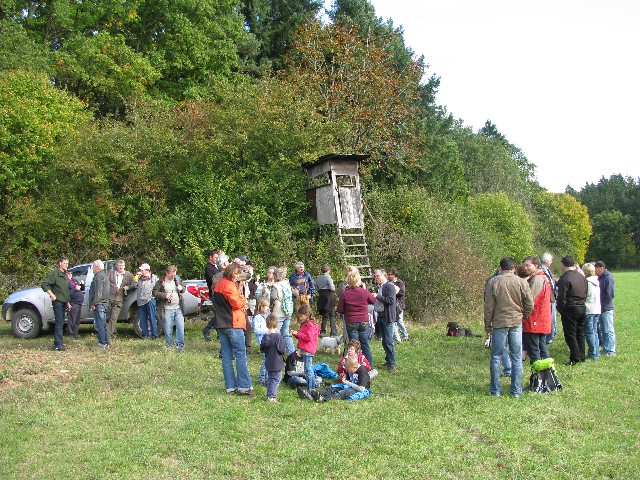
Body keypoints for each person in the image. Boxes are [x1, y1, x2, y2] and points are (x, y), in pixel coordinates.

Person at [484, 257, 534, 398]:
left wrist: (488, 326)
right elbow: (530, 304)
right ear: (514, 268)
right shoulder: (521, 282)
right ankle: (516, 390)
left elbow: (488, 307)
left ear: (500, 268)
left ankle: (495, 390)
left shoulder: (493, 282)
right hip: (516, 321)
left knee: (496, 356)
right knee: (516, 356)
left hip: (499, 322)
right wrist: (524, 316)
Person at [212, 263, 255, 395]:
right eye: (236, 273)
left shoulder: (219, 285)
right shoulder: (230, 286)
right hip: (233, 324)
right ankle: (244, 386)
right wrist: (244, 299)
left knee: (226, 355)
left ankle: (230, 386)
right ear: (231, 273)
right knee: (240, 354)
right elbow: (236, 303)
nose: (237, 276)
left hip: (221, 324)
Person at [337, 269, 376, 367]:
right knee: (365, 343)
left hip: (351, 321)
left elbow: (340, 309)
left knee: (354, 345)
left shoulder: (345, 293)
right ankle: (369, 365)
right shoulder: (364, 292)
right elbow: (373, 300)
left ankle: (354, 365)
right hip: (363, 320)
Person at [556, 255, 587, 366]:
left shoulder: (565, 278)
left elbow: (561, 296)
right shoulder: (581, 276)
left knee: (570, 334)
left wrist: (561, 309)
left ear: (563, 265)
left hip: (570, 307)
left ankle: (575, 357)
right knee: (580, 333)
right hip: (582, 306)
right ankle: (582, 355)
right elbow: (586, 290)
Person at [298, 356, 371, 402]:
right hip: (351, 385)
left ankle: (323, 398)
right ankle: (313, 394)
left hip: (359, 389)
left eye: (349, 370)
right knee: (332, 387)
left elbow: (361, 389)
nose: (349, 372)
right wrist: (345, 376)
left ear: (355, 367)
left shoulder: (363, 373)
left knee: (343, 393)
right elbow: (351, 376)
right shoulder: (353, 368)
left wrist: (348, 383)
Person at [522, 256, 552, 364]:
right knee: (541, 347)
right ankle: (547, 371)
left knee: (534, 350)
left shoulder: (537, 279)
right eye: (524, 265)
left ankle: (538, 372)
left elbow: (530, 301)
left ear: (536, 266)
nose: (525, 268)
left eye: (528, 265)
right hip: (540, 318)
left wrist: (523, 315)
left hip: (535, 318)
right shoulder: (541, 277)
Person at [153, 265, 185, 352]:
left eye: (174, 274)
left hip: (178, 308)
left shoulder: (177, 280)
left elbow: (184, 288)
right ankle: (169, 345)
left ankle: (180, 346)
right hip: (167, 309)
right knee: (168, 329)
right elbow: (154, 292)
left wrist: (181, 288)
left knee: (180, 327)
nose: (173, 276)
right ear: (166, 273)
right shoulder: (161, 282)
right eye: (171, 275)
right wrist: (164, 296)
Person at [42, 257, 71, 351]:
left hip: (64, 302)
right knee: (59, 323)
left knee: (61, 322)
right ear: (60, 263)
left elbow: (64, 290)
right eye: (65, 263)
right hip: (57, 302)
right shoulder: (54, 273)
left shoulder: (65, 274)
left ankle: (58, 342)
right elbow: (44, 284)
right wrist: (52, 295)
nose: (66, 265)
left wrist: (67, 302)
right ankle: (58, 345)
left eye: (67, 263)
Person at [290, 303, 320, 393]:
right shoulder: (304, 324)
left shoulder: (310, 325)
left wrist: (298, 333)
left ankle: (310, 389)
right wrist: (296, 334)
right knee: (308, 369)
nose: (300, 318)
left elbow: (308, 338)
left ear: (307, 315)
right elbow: (303, 336)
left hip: (308, 350)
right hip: (305, 349)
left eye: (301, 316)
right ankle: (313, 386)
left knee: (308, 370)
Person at [375, 269, 399, 372]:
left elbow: (391, 300)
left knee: (389, 341)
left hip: (387, 316)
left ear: (384, 275)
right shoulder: (381, 287)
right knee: (384, 341)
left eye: (378, 276)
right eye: (375, 276)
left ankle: (392, 364)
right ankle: (388, 361)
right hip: (380, 315)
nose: (376, 278)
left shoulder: (389, 286)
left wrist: (377, 296)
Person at [203, 252, 230, 340]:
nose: (216, 259)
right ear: (210, 257)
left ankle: (219, 333)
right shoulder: (209, 268)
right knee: (219, 314)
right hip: (214, 294)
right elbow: (213, 280)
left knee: (220, 314)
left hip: (219, 294)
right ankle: (208, 329)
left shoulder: (216, 268)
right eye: (215, 257)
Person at [270, 266, 295, 355]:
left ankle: (274, 352)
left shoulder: (275, 286)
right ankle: (292, 352)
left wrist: (270, 304)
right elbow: (295, 293)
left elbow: (273, 297)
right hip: (287, 311)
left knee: (275, 332)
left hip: (278, 312)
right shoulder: (287, 284)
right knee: (286, 333)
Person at [260, 314, 285, 402]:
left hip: (268, 361)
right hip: (277, 362)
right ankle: (272, 396)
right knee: (276, 379)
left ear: (266, 324)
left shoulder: (265, 336)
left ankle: (269, 394)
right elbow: (281, 350)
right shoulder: (278, 337)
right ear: (276, 324)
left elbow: (262, 348)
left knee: (270, 378)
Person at [131, 263, 158, 339]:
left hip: (150, 300)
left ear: (147, 270)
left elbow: (158, 287)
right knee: (142, 319)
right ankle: (144, 335)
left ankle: (154, 335)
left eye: (142, 270)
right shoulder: (139, 278)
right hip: (140, 301)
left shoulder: (153, 277)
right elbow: (133, 286)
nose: (140, 271)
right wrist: (136, 278)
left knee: (152, 318)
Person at [594, 261, 616, 356]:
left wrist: (602, 305)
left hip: (606, 308)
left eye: (596, 269)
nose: (595, 271)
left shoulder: (608, 278)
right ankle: (606, 348)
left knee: (608, 330)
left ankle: (611, 350)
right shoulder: (600, 277)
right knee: (603, 330)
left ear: (601, 268)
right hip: (600, 307)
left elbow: (610, 294)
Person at [107, 259, 134, 338]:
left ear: (124, 266)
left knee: (113, 318)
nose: (121, 267)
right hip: (110, 298)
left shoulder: (129, 275)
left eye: (122, 265)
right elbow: (105, 283)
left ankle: (108, 335)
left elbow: (135, 284)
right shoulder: (110, 274)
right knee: (111, 318)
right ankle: (114, 333)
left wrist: (129, 287)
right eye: (119, 265)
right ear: (116, 266)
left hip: (119, 299)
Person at [88, 260, 111, 348]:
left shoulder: (98, 277)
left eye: (93, 267)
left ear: (97, 267)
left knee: (100, 324)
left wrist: (93, 303)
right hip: (104, 303)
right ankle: (107, 342)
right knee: (103, 324)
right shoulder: (104, 275)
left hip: (99, 304)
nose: (92, 269)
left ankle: (102, 343)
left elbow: (98, 293)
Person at [582, 263, 601, 360]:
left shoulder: (587, 282)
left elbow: (584, 296)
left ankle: (593, 354)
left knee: (589, 333)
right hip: (597, 309)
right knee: (595, 332)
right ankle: (596, 352)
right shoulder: (597, 281)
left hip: (589, 309)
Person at [540, 253, 558, 345]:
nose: (551, 262)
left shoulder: (547, 270)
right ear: (547, 261)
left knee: (552, 319)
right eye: (551, 260)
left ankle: (549, 336)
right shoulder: (542, 270)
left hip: (552, 297)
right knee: (550, 319)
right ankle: (547, 337)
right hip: (548, 298)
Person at [388, 268, 409, 342]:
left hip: (399, 305)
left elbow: (401, 293)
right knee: (393, 322)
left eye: (390, 274)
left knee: (399, 321)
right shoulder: (389, 283)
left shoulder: (400, 283)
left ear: (394, 275)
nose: (389, 276)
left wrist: (393, 292)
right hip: (392, 305)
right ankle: (396, 338)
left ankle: (405, 336)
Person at [252, 298, 270, 385]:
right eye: (266, 306)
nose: (267, 308)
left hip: (268, 340)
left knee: (268, 359)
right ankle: (262, 378)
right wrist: (268, 330)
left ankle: (267, 377)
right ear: (261, 307)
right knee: (266, 359)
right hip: (262, 341)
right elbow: (256, 330)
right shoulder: (257, 318)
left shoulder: (266, 317)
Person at [316, 264, 337, 337]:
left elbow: (317, 288)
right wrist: (335, 289)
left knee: (325, 315)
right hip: (329, 296)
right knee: (332, 315)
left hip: (321, 296)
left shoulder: (318, 277)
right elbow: (332, 288)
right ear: (328, 270)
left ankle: (322, 332)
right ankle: (333, 333)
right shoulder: (328, 277)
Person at [66, 270, 84, 339]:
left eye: (71, 273)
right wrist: (75, 288)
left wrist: (82, 284)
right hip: (73, 302)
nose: (70, 274)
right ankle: (71, 334)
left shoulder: (74, 280)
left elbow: (81, 289)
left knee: (77, 319)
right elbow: (68, 293)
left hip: (79, 302)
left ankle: (75, 334)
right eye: (68, 273)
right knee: (72, 319)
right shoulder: (66, 282)